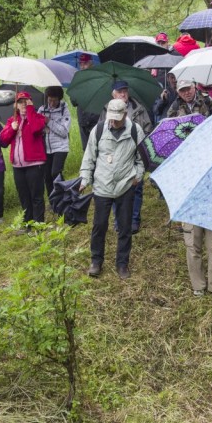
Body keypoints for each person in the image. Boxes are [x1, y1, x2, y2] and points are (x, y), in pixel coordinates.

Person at [80, 99, 145, 280]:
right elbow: (89, 158)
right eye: (112, 118)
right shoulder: (99, 130)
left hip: (125, 186)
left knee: (124, 228)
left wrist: (136, 177)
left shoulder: (135, 131)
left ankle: (122, 264)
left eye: (118, 119)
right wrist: (85, 179)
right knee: (99, 226)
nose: (114, 122)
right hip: (102, 186)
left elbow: (142, 160)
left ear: (125, 115)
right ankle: (96, 261)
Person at [103, 80, 153, 234]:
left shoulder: (138, 108)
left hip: (136, 155)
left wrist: (140, 140)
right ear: (113, 95)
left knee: (136, 188)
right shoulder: (106, 110)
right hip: (116, 158)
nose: (123, 94)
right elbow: (102, 133)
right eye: (119, 91)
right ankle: (119, 221)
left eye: (125, 90)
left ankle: (134, 220)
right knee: (116, 190)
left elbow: (148, 128)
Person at [0, 91, 47, 230]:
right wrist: (12, 129)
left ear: (31, 103)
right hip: (18, 166)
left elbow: (35, 129)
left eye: (27, 101)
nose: (24, 104)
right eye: (20, 102)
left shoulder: (38, 117)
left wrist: (31, 111)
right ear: (16, 105)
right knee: (24, 197)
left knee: (36, 196)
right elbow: (3, 140)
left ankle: (39, 226)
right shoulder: (12, 120)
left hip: (35, 163)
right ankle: (28, 224)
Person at [38, 86, 71, 200]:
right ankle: (52, 200)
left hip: (61, 147)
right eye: (49, 100)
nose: (51, 103)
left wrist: (48, 122)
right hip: (46, 148)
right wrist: (42, 128)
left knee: (55, 172)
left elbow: (63, 132)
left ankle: (63, 197)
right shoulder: (42, 109)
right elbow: (36, 128)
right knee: (47, 176)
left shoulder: (64, 110)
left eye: (54, 100)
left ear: (59, 99)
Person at [77, 53, 100, 151]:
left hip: (95, 119)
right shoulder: (78, 79)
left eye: (85, 64)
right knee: (86, 149)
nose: (82, 66)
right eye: (81, 64)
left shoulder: (98, 78)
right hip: (82, 119)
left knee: (97, 148)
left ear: (91, 63)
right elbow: (73, 101)